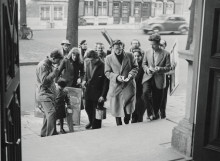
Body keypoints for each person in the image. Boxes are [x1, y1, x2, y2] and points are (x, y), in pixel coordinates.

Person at [105, 40, 139, 126]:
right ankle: (119, 126)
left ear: (122, 47)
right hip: (116, 86)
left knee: (128, 110)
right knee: (117, 109)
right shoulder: (108, 58)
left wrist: (131, 74)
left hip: (128, 85)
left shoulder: (130, 55)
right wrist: (117, 77)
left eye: (120, 48)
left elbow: (135, 67)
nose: (118, 50)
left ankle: (127, 118)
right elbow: (107, 72)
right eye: (116, 48)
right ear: (112, 48)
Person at [142, 33, 171, 120]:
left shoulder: (166, 54)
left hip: (159, 79)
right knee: (145, 93)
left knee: (157, 99)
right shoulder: (147, 52)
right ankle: (150, 112)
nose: (152, 46)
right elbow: (144, 64)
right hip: (148, 77)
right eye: (150, 44)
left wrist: (160, 69)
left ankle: (155, 114)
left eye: (154, 44)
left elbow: (168, 68)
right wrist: (147, 69)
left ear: (158, 43)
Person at [36, 50, 63, 137]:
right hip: (44, 94)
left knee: (47, 114)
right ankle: (51, 134)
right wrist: (54, 73)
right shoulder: (43, 65)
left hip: (48, 94)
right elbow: (44, 81)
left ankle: (44, 134)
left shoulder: (48, 64)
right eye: (58, 61)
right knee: (51, 113)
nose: (58, 63)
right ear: (53, 58)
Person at [82, 50, 109, 129]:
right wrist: (84, 80)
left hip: (98, 93)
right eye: (89, 60)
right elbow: (86, 75)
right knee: (87, 108)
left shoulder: (104, 66)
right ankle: (91, 121)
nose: (91, 61)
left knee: (97, 111)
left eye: (92, 60)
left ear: (97, 58)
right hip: (88, 91)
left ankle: (96, 128)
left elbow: (106, 83)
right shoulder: (88, 63)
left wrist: (103, 95)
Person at [159, 39, 176, 118]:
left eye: (162, 45)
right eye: (159, 44)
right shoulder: (152, 54)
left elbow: (172, 70)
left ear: (165, 46)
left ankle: (162, 112)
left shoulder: (169, 56)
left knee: (163, 96)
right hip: (154, 79)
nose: (160, 46)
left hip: (165, 79)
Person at [131, 49, 145, 123]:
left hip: (141, 90)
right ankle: (133, 119)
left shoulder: (144, 66)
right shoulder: (131, 65)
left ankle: (139, 120)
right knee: (133, 108)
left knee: (140, 109)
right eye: (135, 56)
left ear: (141, 56)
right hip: (133, 90)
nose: (136, 57)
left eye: (138, 56)